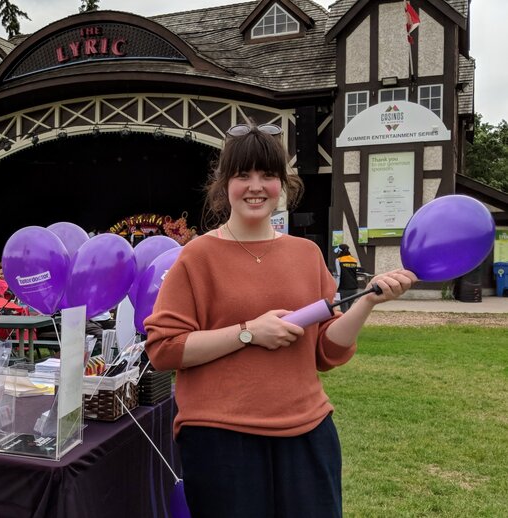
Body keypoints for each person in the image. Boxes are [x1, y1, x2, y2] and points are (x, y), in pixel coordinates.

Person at [143, 123, 417, 517]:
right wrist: (248, 333)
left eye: (268, 175)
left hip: (309, 433)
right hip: (220, 440)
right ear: (224, 184)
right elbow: (164, 349)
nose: (256, 186)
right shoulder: (196, 256)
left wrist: (367, 305)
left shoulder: (306, 253)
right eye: (243, 175)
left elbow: (326, 350)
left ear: (282, 184)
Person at [334, 243, 360, 313]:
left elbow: (338, 275)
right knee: (348, 310)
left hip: (343, 289)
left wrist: (335, 288)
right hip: (354, 289)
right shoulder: (354, 260)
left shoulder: (338, 260)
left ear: (340, 251)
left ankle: (345, 323)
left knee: (344, 311)